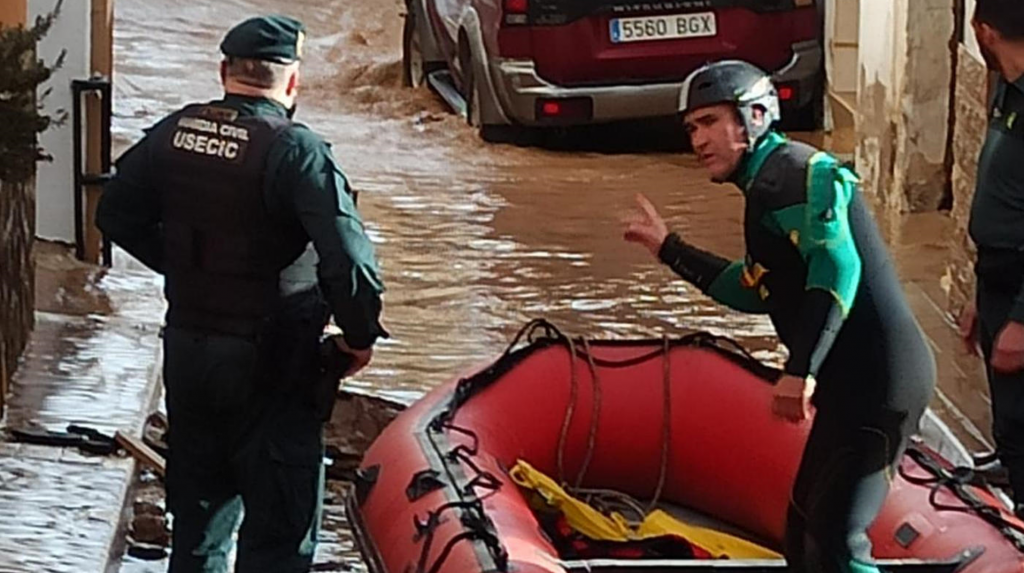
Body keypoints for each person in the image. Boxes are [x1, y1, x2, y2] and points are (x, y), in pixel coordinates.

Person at [96, 15, 388, 572]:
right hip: (273, 367)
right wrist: (358, 335)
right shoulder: (296, 151)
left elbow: (114, 213)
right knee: (278, 539)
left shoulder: (175, 132)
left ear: (225, 70)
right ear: (293, 82)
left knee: (199, 531)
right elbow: (349, 258)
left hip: (189, 355)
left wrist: (183, 267)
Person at [623, 60, 936, 573]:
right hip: (850, 385)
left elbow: (839, 266)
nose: (698, 140)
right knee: (802, 527)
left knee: (837, 539)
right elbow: (750, 290)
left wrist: (801, 371)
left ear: (757, 115)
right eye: (691, 128)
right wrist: (668, 248)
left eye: (709, 122)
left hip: (881, 381)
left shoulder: (793, 173)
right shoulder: (767, 188)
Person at [958, 0, 1024, 511]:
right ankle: (1012, 465)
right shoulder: (1005, 88)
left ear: (984, 31)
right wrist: (978, 295)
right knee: (1006, 402)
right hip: (997, 268)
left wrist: (1023, 319)